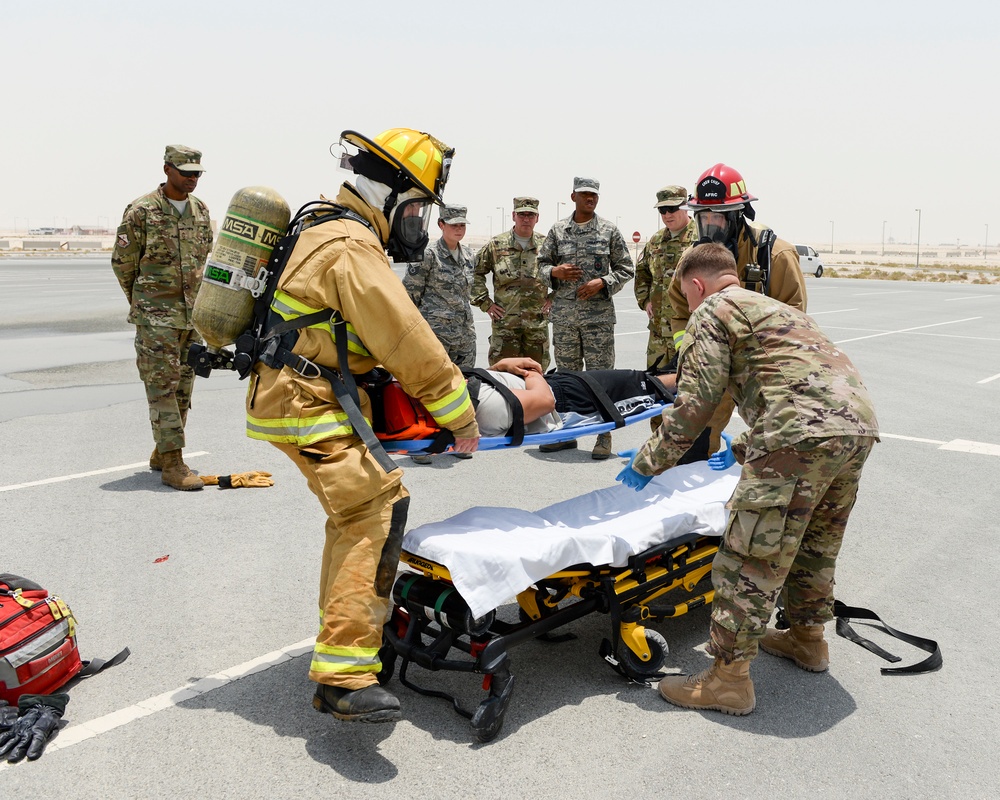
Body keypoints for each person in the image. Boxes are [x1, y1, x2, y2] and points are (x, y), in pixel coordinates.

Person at [244, 128, 480, 723]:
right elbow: (402, 334)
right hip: (304, 401)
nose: (419, 221)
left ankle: (341, 654)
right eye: (418, 207)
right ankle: (343, 676)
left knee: (357, 511)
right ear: (390, 195)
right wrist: (459, 414)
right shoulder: (350, 244)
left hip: (297, 392)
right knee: (375, 507)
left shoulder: (325, 226)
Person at [616, 243, 879, 716]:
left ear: (697, 285)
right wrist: (741, 450)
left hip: (797, 436)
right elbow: (792, 383)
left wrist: (646, 463)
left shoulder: (713, 309)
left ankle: (728, 680)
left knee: (749, 556)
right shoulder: (774, 307)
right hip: (855, 429)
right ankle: (807, 638)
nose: (690, 307)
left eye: (687, 297)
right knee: (814, 543)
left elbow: (695, 403)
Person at [665, 164, 807, 455]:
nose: (710, 225)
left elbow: (795, 318)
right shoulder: (694, 259)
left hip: (761, 369)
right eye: (703, 217)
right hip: (712, 364)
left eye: (718, 216)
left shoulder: (775, 255)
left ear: (739, 213)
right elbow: (680, 310)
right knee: (694, 443)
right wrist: (689, 351)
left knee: (775, 442)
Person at [111, 145, 213, 491]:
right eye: (185, 171)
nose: (191, 178)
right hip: (157, 318)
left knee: (184, 386)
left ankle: (162, 451)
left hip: (191, 318)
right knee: (162, 389)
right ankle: (172, 463)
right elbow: (123, 263)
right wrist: (145, 305)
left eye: (197, 172)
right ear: (167, 169)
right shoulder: (141, 211)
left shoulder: (200, 211)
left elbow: (204, 262)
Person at [537, 177, 635, 459]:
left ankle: (603, 436)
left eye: (594, 195)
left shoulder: (609, 231)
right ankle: (567, 435)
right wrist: (554, 273)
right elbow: (540, 265)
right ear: (573, 197)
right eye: (584, 195)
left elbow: (626, 268)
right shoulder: (558, 231)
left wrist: (602, 282)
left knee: (600, 378)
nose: (590, 199)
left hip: (598, 320)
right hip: (566, 319)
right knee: (566, 378)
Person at [472, 197, 551, 370]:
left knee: (536, 375)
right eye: (522, 214)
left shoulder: (547, 245)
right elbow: (474, 273)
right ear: (513, 215)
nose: (526, 219)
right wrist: (486, 303)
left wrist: (553, 298)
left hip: (536, 326)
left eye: (531, 215)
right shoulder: (496, 245)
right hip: (505, 326)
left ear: (537, 218)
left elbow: (563, 275)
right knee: (503, 375)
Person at [403, 204, 477, 370]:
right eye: (453, 225)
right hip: (436, 336)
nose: (459, 229)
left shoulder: (469, 255)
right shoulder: (428, 254)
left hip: (464, 337)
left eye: (462, 225)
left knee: (468, 384)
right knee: (435, 384)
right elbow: (410, 295)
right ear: (441, 224)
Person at [634, 185, 697, 371]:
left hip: (689, 329)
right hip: (658, 334)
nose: (667, 215)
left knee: (688, 384)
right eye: (662, 210)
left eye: (673, 209)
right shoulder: (656, 240)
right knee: (655, 384)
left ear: (685, 207)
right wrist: (645, 300)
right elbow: (642, 272)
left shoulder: (700, 238)